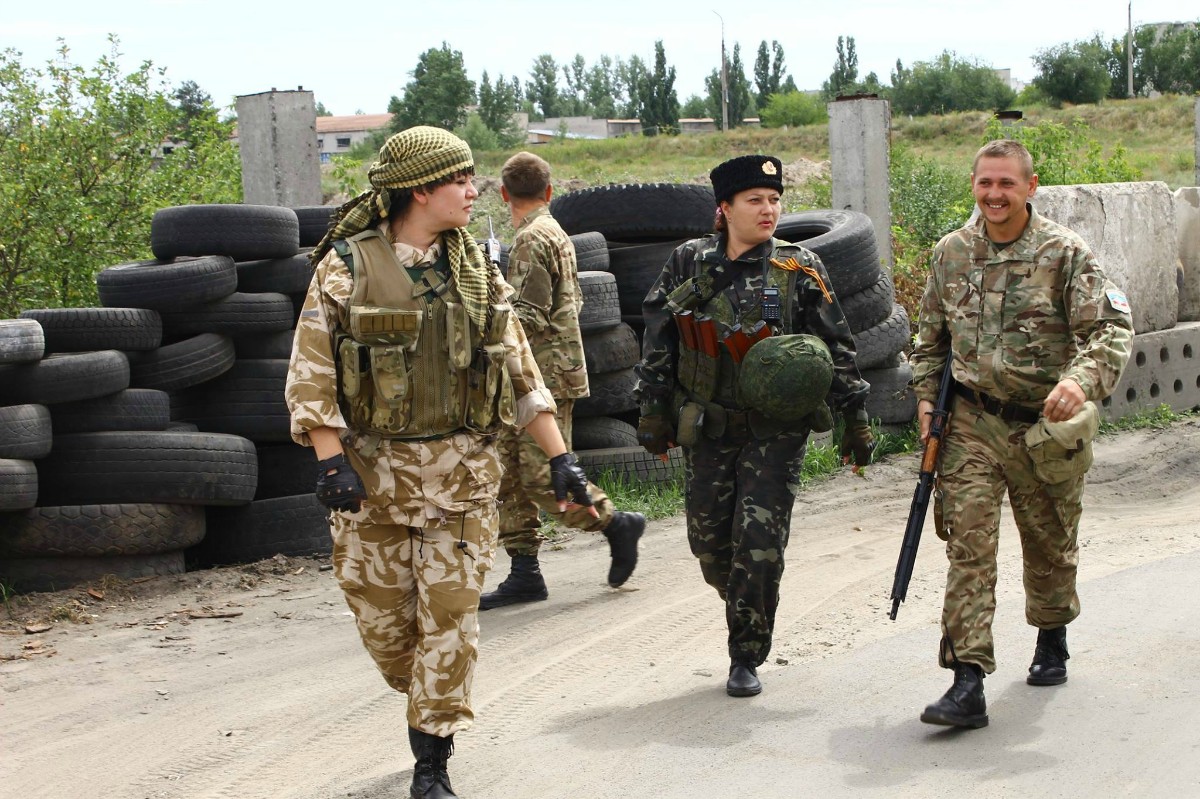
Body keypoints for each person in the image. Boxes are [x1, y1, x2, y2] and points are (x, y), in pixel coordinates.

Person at [284, 126, 596, 799]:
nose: (472, 190)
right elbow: (310, 376)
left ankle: (433, 765)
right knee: (389, 631)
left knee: (450, 623)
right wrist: (331, 460)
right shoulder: (347, 267)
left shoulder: (478, 270)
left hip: (462, 481)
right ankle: (424, 692)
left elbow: (520, 370)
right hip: (371, 483)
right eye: (459, 179)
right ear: (420, 189)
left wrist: (561, 458)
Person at [909, 138, 1133, 729]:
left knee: (1050, 546)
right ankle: (967, 679)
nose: (994, 194)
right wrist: (928, 402)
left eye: (1007, 183)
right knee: (969, 550)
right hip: (970, 427)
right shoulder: (951, 254)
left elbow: (1109, 330)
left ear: (1030, 187)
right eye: (985, 182)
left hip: (1043, 428)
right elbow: (929, 340)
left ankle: (1052, 633)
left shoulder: (1066, 254)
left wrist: (1081, 383)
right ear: (974, 185)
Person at [634, 154, 874, 698]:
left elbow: (837, 345)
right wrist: (651, 409)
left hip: (776, 431)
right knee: (710, 543)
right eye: (754, 201)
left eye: (774, 200)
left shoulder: (800, 266)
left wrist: (854, 415)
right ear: (725, 208)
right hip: (709, 426)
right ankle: (746, 601)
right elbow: (659, 335)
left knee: (759, 542)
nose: (768, 210)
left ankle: (746, 652)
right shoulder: (687, 263)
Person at [480, 151, 644, 610]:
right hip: (539, 374)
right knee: (510, 477)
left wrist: (492, 293)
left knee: (538, 477)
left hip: (542, 378)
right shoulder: (556, 233)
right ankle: (524, 573)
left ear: (505, 194)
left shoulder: (533, 239)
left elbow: (528, 316)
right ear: (549, 191)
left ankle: (615, 523)